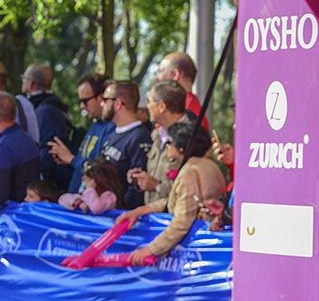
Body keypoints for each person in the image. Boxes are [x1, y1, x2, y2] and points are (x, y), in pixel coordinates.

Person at [119, 121, 227, 265]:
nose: (167, 146)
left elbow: (182, 222)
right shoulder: (209, 165)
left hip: (194, 256)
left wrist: (150, 250)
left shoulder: (190, 172)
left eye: (169, 142)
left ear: (181, 148)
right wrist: (140, 211)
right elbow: (178, 200)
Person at [127, 80, 188, 205]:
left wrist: (157, 186)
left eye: (150, 102)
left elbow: (191, 187)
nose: (146, 107)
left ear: (161, 106)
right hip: (153, 218)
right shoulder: (156, 134)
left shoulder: (191, 138)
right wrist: (141, 178)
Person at [49, 73, 112, 193]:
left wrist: (71, 159)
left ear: (101, 98)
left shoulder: (111, 129)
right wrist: (67, 160)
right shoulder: (95, 125)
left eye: (85, 101)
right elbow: (85, 162)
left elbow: (99, 171)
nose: (82, 106)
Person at [96, 81, 151, 209]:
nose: (101, 103)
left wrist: (122, 211)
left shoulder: (140, 137)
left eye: (105, 99)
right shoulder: (110, 134)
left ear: (118, 103)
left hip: (120, 216)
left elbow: (137, 185)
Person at [20, 64, 73, 188]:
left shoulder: (46, 111)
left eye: (24, 78)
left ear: (31, 84)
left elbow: (48, 148)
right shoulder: (53, 106)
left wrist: (38, 181)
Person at [156, 52, 208, 130]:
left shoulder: (184, 109)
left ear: (175, 75)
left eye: (160, 71)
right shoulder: (191, 107)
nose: (157, 78)